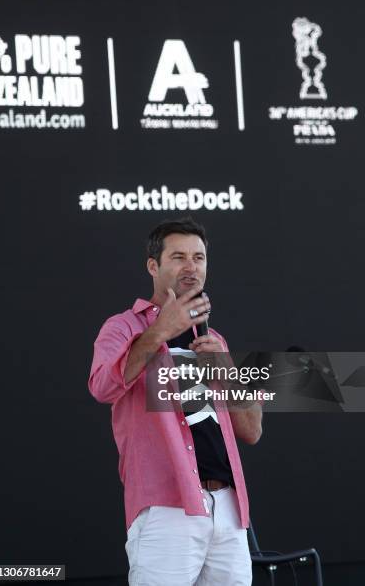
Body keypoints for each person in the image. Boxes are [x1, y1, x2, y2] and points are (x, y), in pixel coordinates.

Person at [88, 217, 262, 585]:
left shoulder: (213, 337)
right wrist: (160, 330)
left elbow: (251, 430)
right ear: (153, 266)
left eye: (198, 258)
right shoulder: (123, 327)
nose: (191, 266)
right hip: (167, 506)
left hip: (228, 509)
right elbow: (102, 387)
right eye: (178, 257)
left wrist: (226, 368)